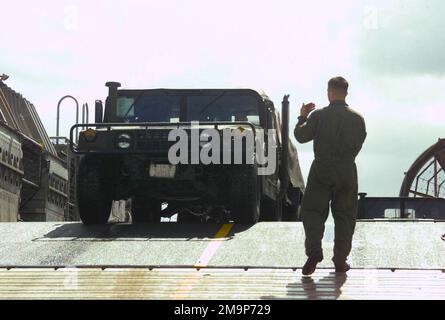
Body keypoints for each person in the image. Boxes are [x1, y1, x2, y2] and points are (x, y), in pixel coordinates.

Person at [294, 76, 367, 276]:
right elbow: (359, 142)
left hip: (321, 170)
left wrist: (302, 116)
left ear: (331, 93)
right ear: (345, 93)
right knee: (345, 216)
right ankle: (340, 260)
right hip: (347, 170)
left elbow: (300, 137)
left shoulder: (318, 116)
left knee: (312, 212)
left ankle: (314, 255)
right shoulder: (358, 119)